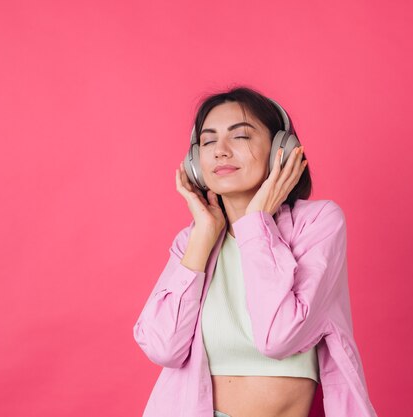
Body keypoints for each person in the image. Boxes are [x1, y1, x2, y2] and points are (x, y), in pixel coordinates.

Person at [133, 86, 378, 417]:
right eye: (207, 141)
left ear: (282, 149)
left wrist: (256, 223)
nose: (220, 151)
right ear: (194, 162)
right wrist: (204, 235)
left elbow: (279, 337)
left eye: (241, 137)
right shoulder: (193, 242)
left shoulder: (317, 223)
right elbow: (164, 348)